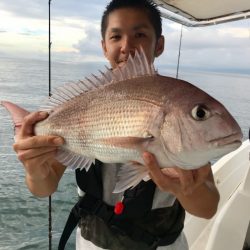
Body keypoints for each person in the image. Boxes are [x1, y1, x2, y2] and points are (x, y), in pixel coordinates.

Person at [13, 0, 220, 249]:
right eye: (115, 36)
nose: (126, 46)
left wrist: (187, 189)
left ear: (160, 44)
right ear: (104, 46)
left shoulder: (179, 108)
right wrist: (34, 169)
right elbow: (43, 187)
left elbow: (208, 208)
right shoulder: (85, 103)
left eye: (140, 34)